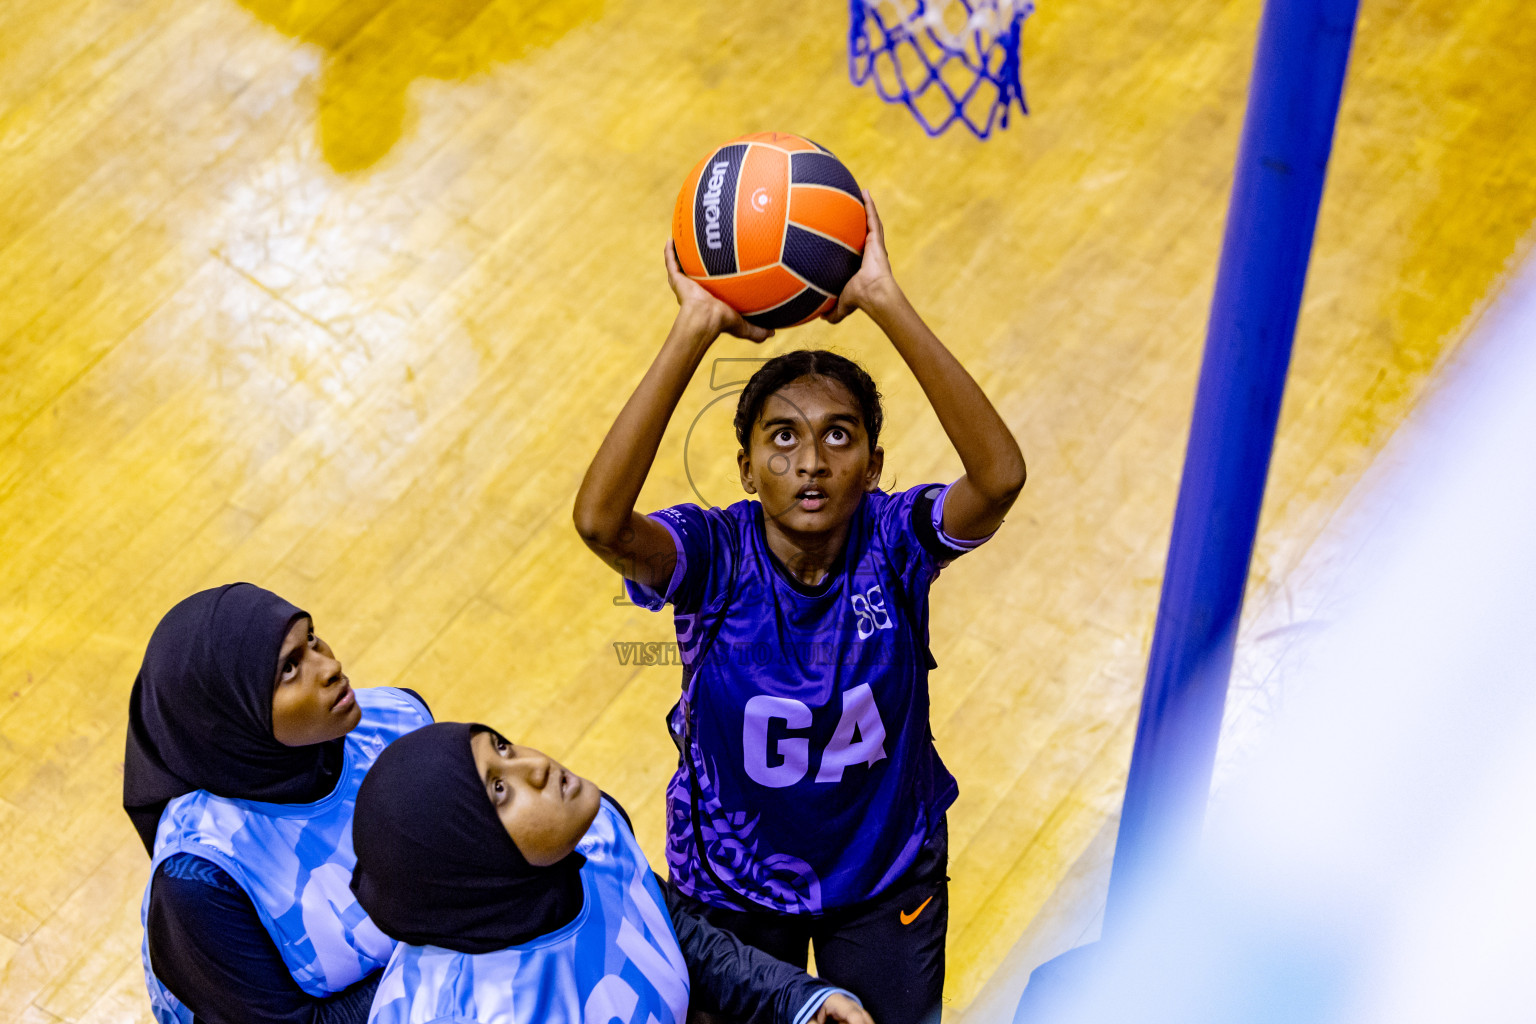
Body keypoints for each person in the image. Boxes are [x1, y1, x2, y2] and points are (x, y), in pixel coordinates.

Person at [571, 191, 1026, 1023]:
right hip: (733, 888)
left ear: (875, 464)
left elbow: (998, 479)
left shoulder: (895, 541)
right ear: (745, 469)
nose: (811, 460)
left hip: (885, 877)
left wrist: (884, 299)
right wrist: (693, 328)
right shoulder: (711, 555)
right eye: (781, 437)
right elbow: (600, 521)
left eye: (839, 436)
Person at [350, 721, 874, 1024]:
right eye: (499, 790)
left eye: (503, 747)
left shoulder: (594, 835)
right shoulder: (469, 1012)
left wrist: (799, 999)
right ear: (468, 866)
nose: (534, 766)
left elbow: (669, 929)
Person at [123, 583, 435, 1024]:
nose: (330, 666)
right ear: (230, 721)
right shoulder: (199, 880)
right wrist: (456, 962)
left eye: (312, 638)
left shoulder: (397, 720)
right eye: (290, 669)